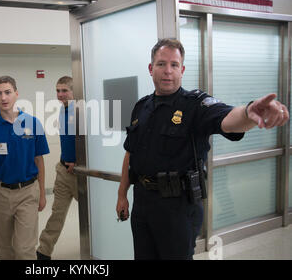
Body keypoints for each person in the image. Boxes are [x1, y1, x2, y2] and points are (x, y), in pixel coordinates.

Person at [116, 38, 289, 260]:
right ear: (151, 69)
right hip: (142, 203)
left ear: (182, 70)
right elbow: (130, 153)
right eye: (161, 64)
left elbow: (228, 118)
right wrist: (122, 194)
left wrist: (248, 112)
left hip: (177, 208)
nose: (167, 71)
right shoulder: (141, 107)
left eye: (174, 65)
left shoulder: (195, 104)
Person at [0, 75, 50, 260]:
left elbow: (39, 160)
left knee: (25, 250)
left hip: (28, 191)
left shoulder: (33, 123)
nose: (4, 98)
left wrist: (41, 193)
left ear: (16, 93)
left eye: (8, 92)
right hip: (1, 194)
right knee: (6, 250)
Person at [37, 76, 78, 260]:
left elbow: (91, 142)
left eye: (64, 90)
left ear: (73, 91)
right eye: (58, 90)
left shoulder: (81, 112)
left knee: (93, 215)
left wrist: (79, 161)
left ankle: (99, 248)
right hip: (62, 171)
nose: (60, 94)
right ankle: (43, 252)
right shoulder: (62, 110)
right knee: (57, 213)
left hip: (80, 173)